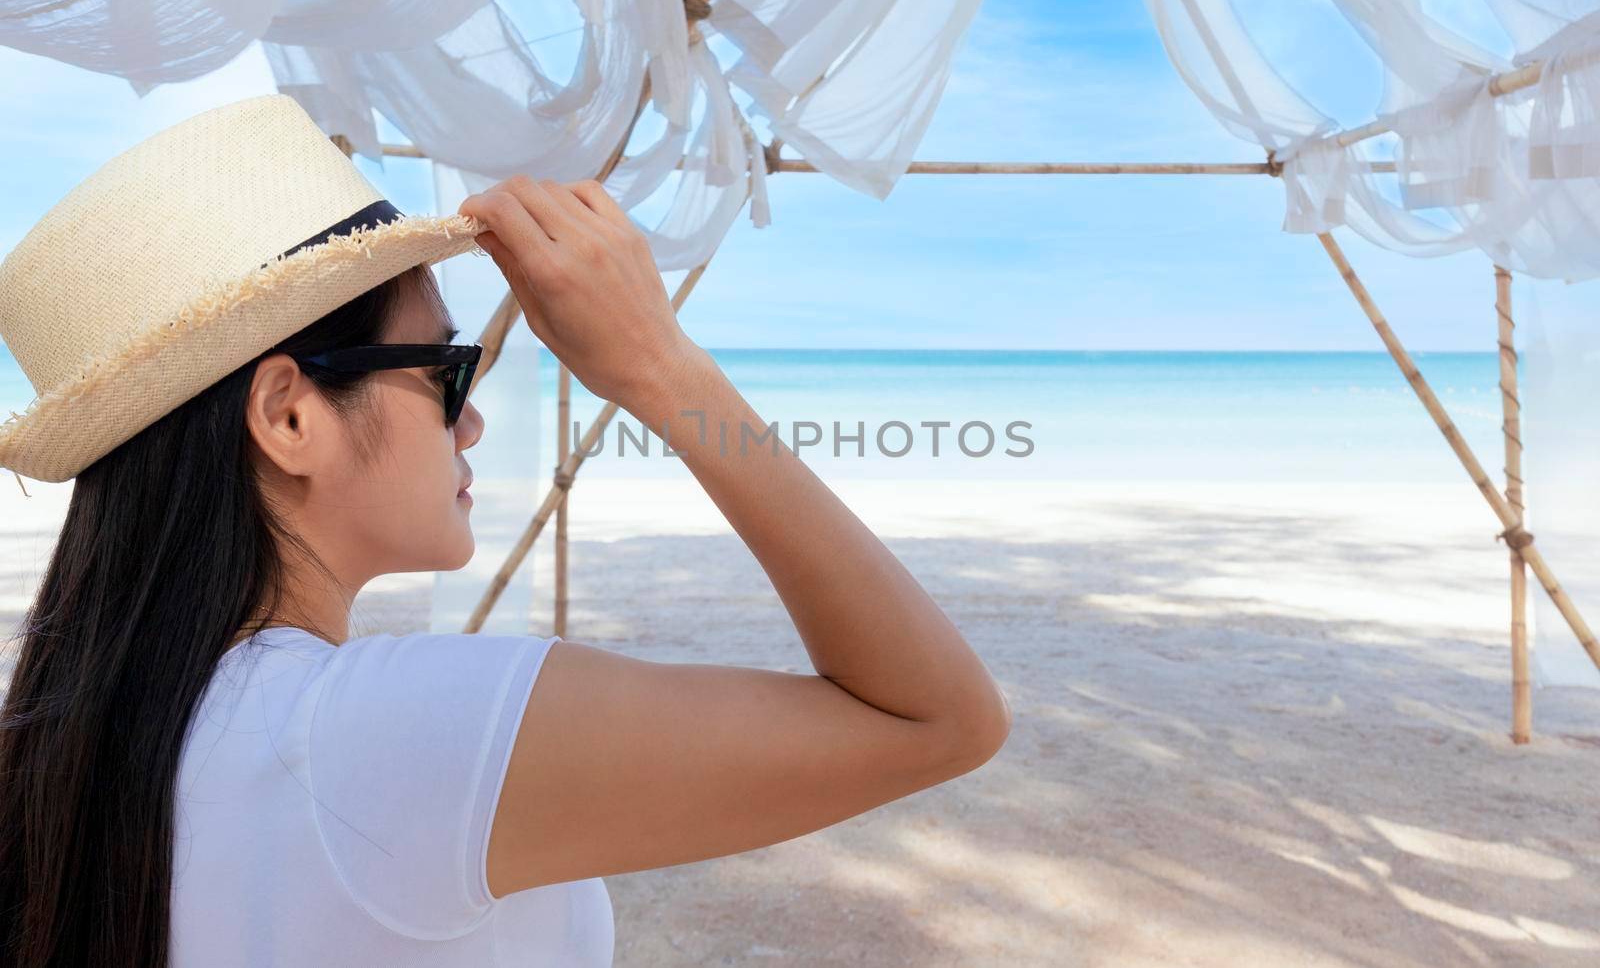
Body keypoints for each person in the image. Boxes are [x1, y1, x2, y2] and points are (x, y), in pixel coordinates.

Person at [0, 94, 1010, 966]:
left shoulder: (62, 751)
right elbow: (935, 719)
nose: (472, 414)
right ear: (288, 415)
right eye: (444, 367)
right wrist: (664, 368)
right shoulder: (386, 732)